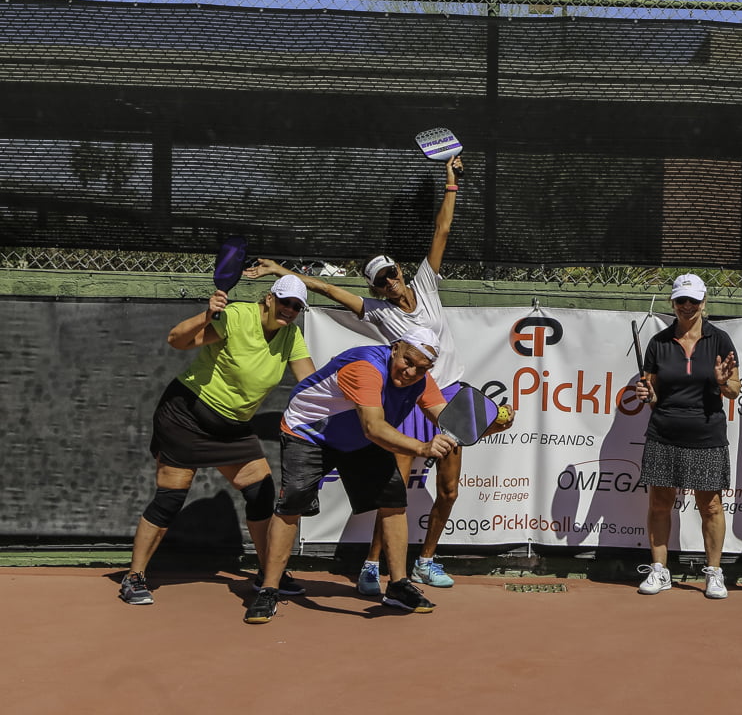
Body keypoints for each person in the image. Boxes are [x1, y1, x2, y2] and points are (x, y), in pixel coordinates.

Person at [245, 155, 466, 593]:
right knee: (394, 488)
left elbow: (441, 231)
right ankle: (371, 566)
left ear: (400, 270)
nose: (389, 283)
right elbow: (326, 288)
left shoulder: (424, 283)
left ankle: (425, 562)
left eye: (390, 274)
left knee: (450, 488)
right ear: (375, 290)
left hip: (440, 389)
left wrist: (451, 183)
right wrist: (279, 271)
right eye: (380, 282)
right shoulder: (378, 313)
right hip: (398, 397)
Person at [243, 328, 512, 624]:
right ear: (395, 348)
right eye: (407, 361)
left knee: (393, 502)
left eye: (421, 368)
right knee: (292, 505)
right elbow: (374, 428)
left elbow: (451, 421)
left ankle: (397, 586)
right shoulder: (365, 368)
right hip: (309, 432)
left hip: (356, 438)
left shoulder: (421, 380)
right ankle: (269, 587)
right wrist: (422, 446)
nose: (410, 372)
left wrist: (489, 427)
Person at [119, 276, 316, 605]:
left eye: (297, 306)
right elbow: (176, 340)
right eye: (285, 302)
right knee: (171, 497)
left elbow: (311, 383)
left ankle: (269, 575)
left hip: (232, 428)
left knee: (261, 491)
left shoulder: (291, 335)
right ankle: (134, 576)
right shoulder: (238, 316)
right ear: (268, 299)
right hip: (186, 416)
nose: (290, 310)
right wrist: (206, 314)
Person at [634, 273, 741, 599]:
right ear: (673, 303)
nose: (687, 306)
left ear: (703, 302)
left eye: (693, 300)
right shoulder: (659, 343)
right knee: (660, 504)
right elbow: (653, 395)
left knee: (710, 507)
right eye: (681, 300)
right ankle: (659, 570)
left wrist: (722, 381)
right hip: (663, 434)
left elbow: (734, 390)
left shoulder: (720, 341)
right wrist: (646, 394)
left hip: (706, 435)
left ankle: (714, 572)